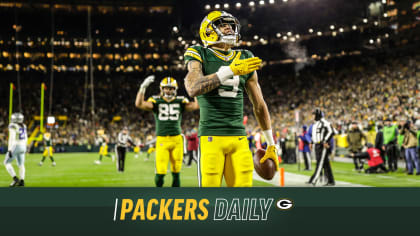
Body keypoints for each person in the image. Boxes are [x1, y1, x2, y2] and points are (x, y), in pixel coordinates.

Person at [183, 10, 278, 187]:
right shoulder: (199, 52)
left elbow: (259, 104)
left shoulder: (245, 56)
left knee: (242, 201)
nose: (228, 27)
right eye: (222, 24)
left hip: (239, 139)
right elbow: (193, 88)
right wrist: (231, 71)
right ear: (208, 30)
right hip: (211, 137)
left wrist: (271, 143)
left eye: (230, 25)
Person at [135, 76, 199, 187]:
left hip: (177, 140)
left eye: (171, 88)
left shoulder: (180, 101)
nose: (168, 90)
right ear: (161, 89)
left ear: (175, 89)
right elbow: (139, 104)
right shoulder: (156, 101)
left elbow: (196, 105)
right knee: (160, 172)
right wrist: (142, 88)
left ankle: (174, 197)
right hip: (162, 140)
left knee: (176, 172)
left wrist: (195, 90)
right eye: (166, 88)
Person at [305, 108, 335, 186]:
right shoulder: (315, 124)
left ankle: (314, 180)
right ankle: (331, 181)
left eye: (314, 114)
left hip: (322, 145)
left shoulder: (324, 122)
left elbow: (332, 131)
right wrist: (311, 142)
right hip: (317, 145)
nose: (312, 116)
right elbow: (314, 135)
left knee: (320, 163)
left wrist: (325, 140)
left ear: (317, 115)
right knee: (325, 164)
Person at [4, 113, 27, 187]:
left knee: (6, 163)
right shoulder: (24, 126)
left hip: (16, 146)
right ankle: (22, 181)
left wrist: (9, 149)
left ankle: (15, 178)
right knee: (21, 164)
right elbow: (26, 137)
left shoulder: (13, 125)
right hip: (23, 146)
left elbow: (12, 138)